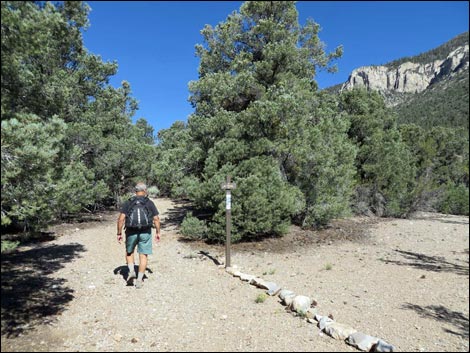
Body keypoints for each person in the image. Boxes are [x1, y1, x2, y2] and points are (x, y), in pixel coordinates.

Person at [117, 182, 160, 289]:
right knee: (143, 255)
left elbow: (121, 219)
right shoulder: (149, 202)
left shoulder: (129, 202)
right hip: (145, 231)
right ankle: (140, 279)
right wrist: (158, 232)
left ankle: (131, 271)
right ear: (145, 190)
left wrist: (119, 233)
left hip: (131, 231)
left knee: (129, 252)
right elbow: (156, 219)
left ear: (135, 191)